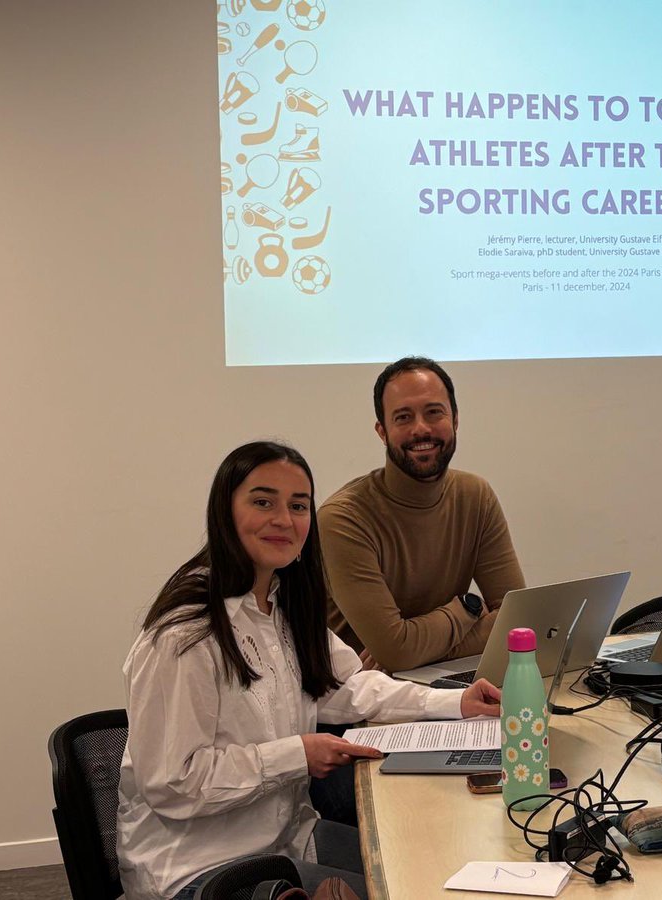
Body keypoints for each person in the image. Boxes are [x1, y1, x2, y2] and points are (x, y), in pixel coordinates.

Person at [117, 441, 501, 900]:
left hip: (287, 839)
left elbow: (348, 687)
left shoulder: (281, 604)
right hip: (199, 868)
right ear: (224, 512)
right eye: (263, 502)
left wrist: (455, 702)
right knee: (403, 889)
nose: (284, 519)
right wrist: (297, 754)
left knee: (430, 867)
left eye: (298, 506)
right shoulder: (186, 635)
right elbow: (174, 785)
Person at [318, 356, 525, 673]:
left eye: (434, 413)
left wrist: (412, 648)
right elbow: (397, 652)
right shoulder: (343, 519)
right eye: (403, 417)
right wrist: (469, 610)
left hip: (443, 683)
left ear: (455, 419)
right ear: (382, 431)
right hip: (364, 701)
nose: (421, 429)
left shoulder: (475, 495)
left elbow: (519, 620)